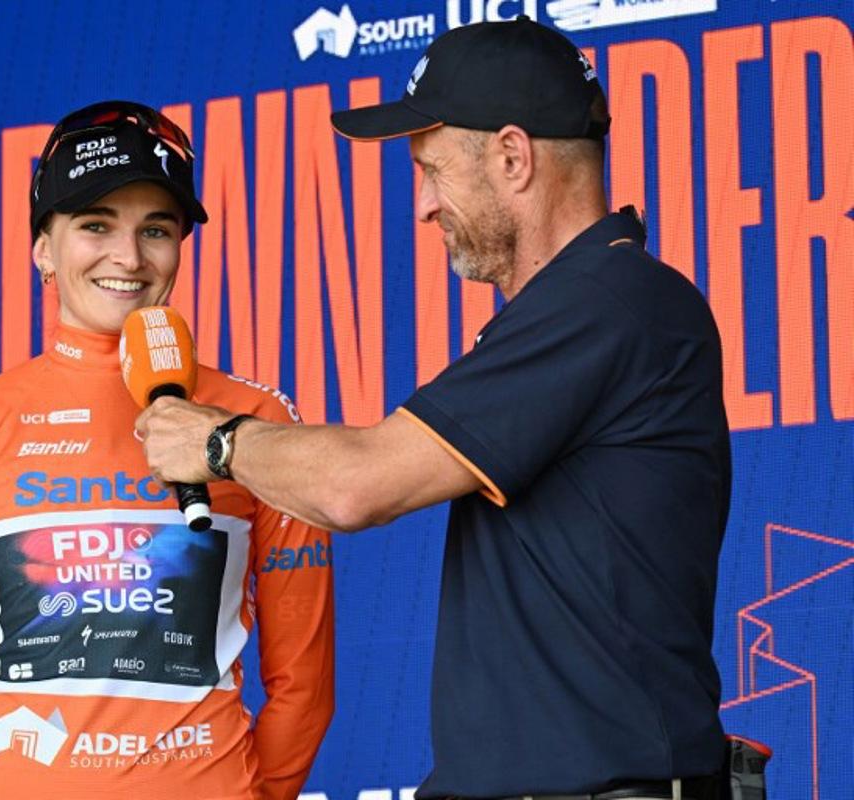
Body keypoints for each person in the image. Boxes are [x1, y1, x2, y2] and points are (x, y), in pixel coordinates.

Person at [137, 18, 730, 800]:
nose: (421, 205)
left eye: (431, 169)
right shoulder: (585, 308)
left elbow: (358, 483)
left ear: (513, 157)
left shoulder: (608, 302)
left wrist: (215, 443)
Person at [0, 100, 334, 800]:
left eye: (156, 230)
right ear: (42, 247)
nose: (129, 258)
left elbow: (303, 685)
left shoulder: (255, 417)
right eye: (96, 225)